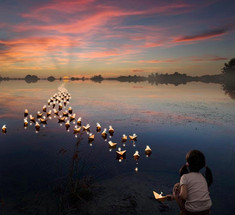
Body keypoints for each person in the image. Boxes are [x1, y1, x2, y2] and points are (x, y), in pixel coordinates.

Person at [167, 150, 213, 215]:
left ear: (187, 164)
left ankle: (183, 212)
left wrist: (175, 196)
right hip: (206, 210)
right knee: (189, 188)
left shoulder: (185, 177)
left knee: (177, 186)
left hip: (191, 211)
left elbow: (183, 196)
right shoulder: (202, 177)